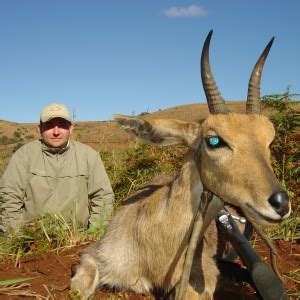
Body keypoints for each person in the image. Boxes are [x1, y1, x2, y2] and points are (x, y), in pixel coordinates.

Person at [0, 103, 115, 233]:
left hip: (77, 238)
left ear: (71, 129)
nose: (56, 132)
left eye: (62, 125)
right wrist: (15, 238)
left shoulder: (89, 156)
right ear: (39, 128)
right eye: (49, 125)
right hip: (33, 240)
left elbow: (103, 196)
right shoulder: (24, 155)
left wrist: (93, 234)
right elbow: (9, 198)